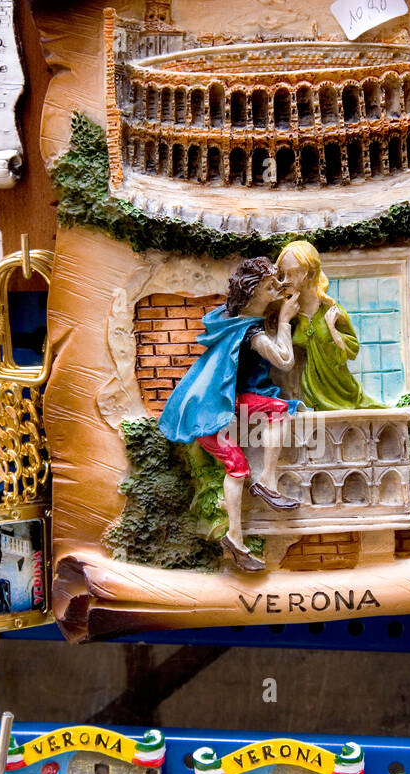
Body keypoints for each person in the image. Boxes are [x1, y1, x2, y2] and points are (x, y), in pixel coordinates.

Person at [158, 257, 302, 572]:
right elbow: (285, 361)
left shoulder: (232, 320)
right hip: (210, 414)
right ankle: (246, 519)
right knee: (246, 455)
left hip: (225, 403)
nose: (277, 287)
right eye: (270, 286)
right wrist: (287, 320)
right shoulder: (251, 333)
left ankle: (252, 507)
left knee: (265, 429)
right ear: (253, 295)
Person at [275, 240, 384, 411]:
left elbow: (352, 350)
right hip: (311, 393)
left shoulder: (333, 312)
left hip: (343, 388)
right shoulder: (289, 314)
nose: (285, 281)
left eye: (292, 274)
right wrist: (284, 318)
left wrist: (332, 330)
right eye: (283, 274)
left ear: (309, 274)